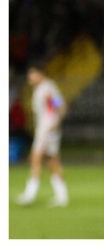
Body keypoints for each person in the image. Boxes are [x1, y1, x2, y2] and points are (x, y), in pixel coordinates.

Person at [16, 65, 69, 207]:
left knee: (35, 157)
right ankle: (62, 196)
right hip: (45, 128)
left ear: (40, 74)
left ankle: (30, 194)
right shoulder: (42, 88)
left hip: (48, 129)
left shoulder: (47, 88)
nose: (30, 78)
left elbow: (58, 106)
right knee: (52, 161)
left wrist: (54, 122)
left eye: (32, 75)